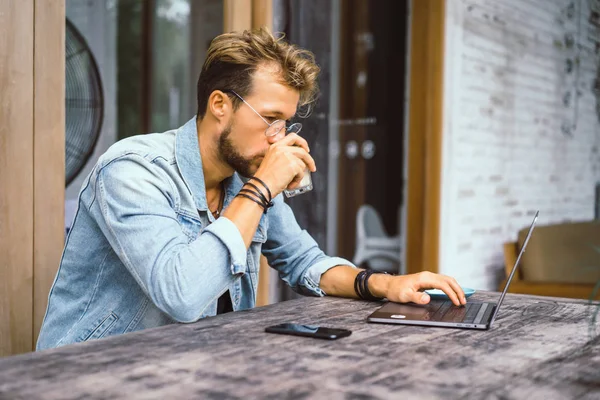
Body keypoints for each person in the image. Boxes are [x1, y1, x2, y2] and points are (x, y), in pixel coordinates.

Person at [36, 27, 465, 350]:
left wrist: (385, 284)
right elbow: (181, 294)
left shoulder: (243, 178)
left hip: (188, 367)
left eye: (286, 122)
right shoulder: (132, 171)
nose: (279, 137)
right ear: (219, 104)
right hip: (90, 373)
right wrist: (262, 187)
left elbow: (305, 261)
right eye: (269, 118)